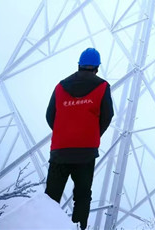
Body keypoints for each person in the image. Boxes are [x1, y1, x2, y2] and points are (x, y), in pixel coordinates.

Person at [45, 47, 114, 229]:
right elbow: (107, 116)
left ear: (79, 64)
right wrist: (91, 134)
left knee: (51, 197)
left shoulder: (60, 86)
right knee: (82, 197)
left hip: (60, 150)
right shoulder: (103, 86)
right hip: (85, 152)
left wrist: (64, 132)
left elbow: (49, 115)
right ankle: (78, 227)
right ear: (97, 67)